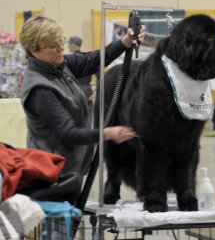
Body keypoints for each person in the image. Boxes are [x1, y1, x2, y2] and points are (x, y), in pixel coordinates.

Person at [19, 15, 145, 175]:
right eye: (52, 45)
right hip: (51, 174)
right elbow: (67, 133)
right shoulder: (40, 89)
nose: (60, 48)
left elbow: (93, 59)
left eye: (60, 41)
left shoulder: (59, 65)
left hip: (70, 170)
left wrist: (125, 41)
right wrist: (107, 133)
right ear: (34, 51)